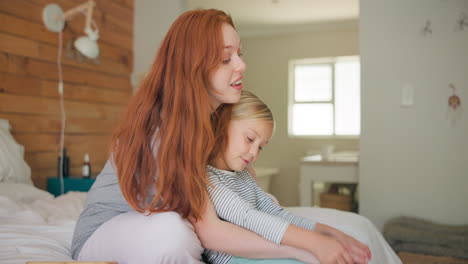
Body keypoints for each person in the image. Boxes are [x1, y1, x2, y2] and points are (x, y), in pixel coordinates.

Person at [72, 9, 357, 264]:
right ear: (193, 66)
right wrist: (303, 249)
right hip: (104, 232)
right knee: (173, 232)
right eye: (225, 58)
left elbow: (252, 205)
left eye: (239, 54)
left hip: (156, 224)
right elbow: (211, 230)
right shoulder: (164, 127)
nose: (241, 65)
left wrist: (321, 232)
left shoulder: (216, 122)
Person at [205, 90, 402, 264]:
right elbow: (248, 217)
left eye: (261, 147)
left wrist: (325, 231)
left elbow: (275, 212)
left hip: (261, 251)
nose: (254, 153)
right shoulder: (209, 178)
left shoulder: (243, 176)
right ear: (222, 124)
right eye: (249, 139)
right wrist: (313, 243)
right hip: (237, 259)